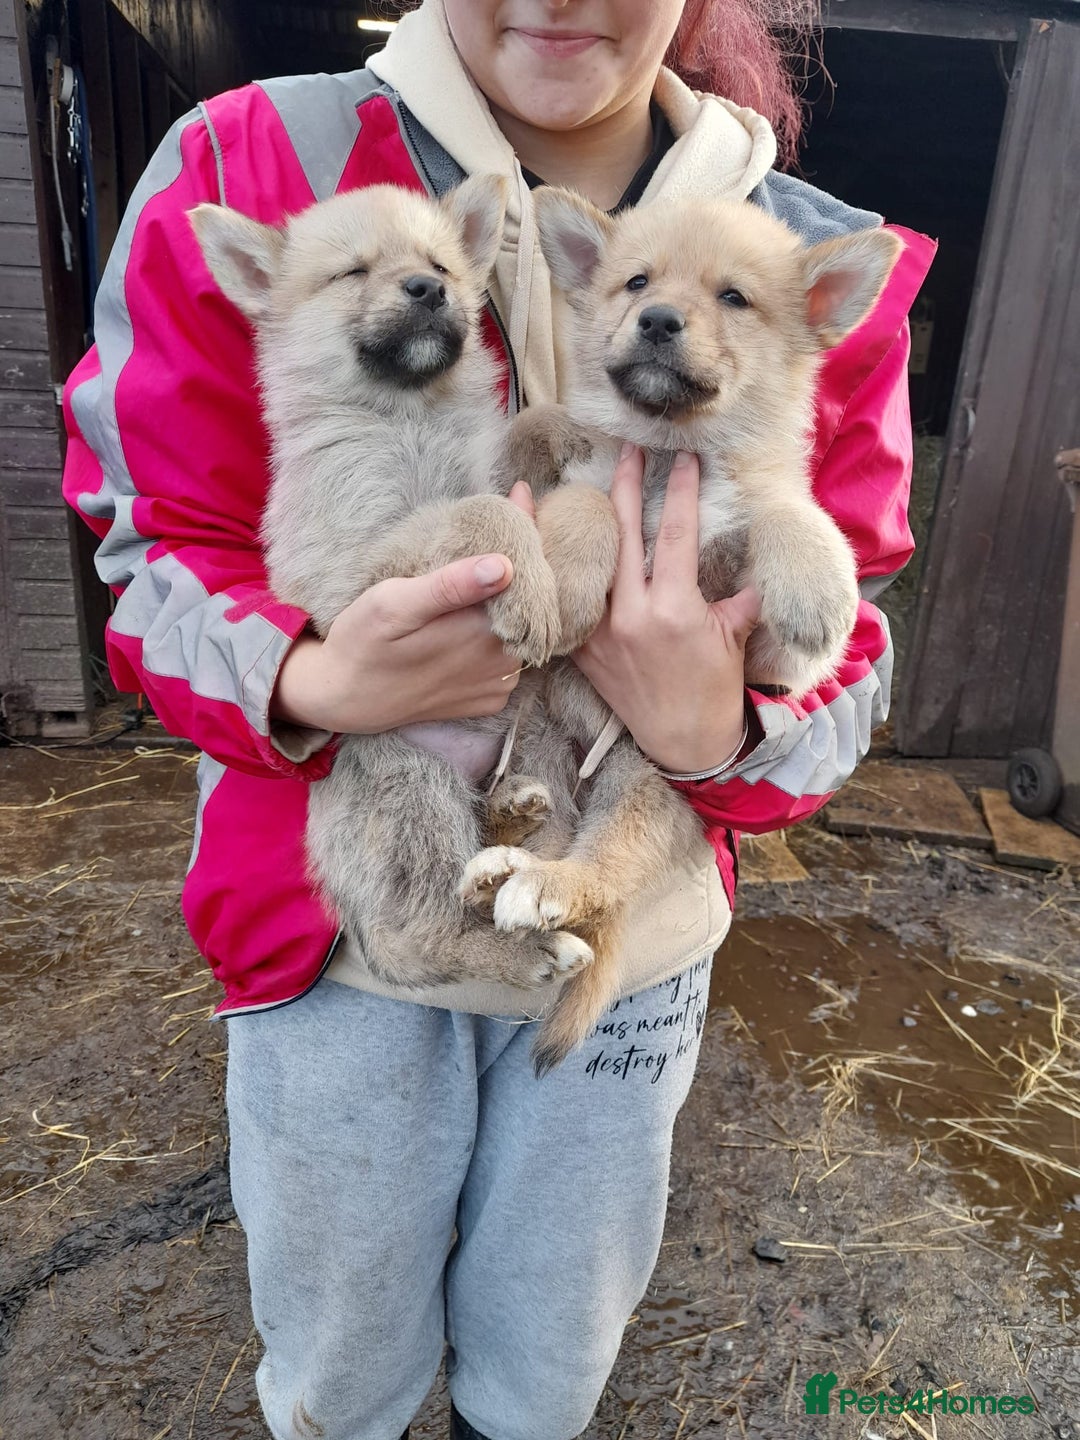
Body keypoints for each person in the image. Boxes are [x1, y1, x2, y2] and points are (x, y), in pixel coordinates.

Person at [62, 3, 936, 1437]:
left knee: (550, 1351)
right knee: (344, 1357)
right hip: (338, 935)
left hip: (621, 933)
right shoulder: (254, 157)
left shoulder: (808, 244)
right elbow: (145, 543)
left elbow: (852, 621)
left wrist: (724, 729)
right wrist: (310, 681)